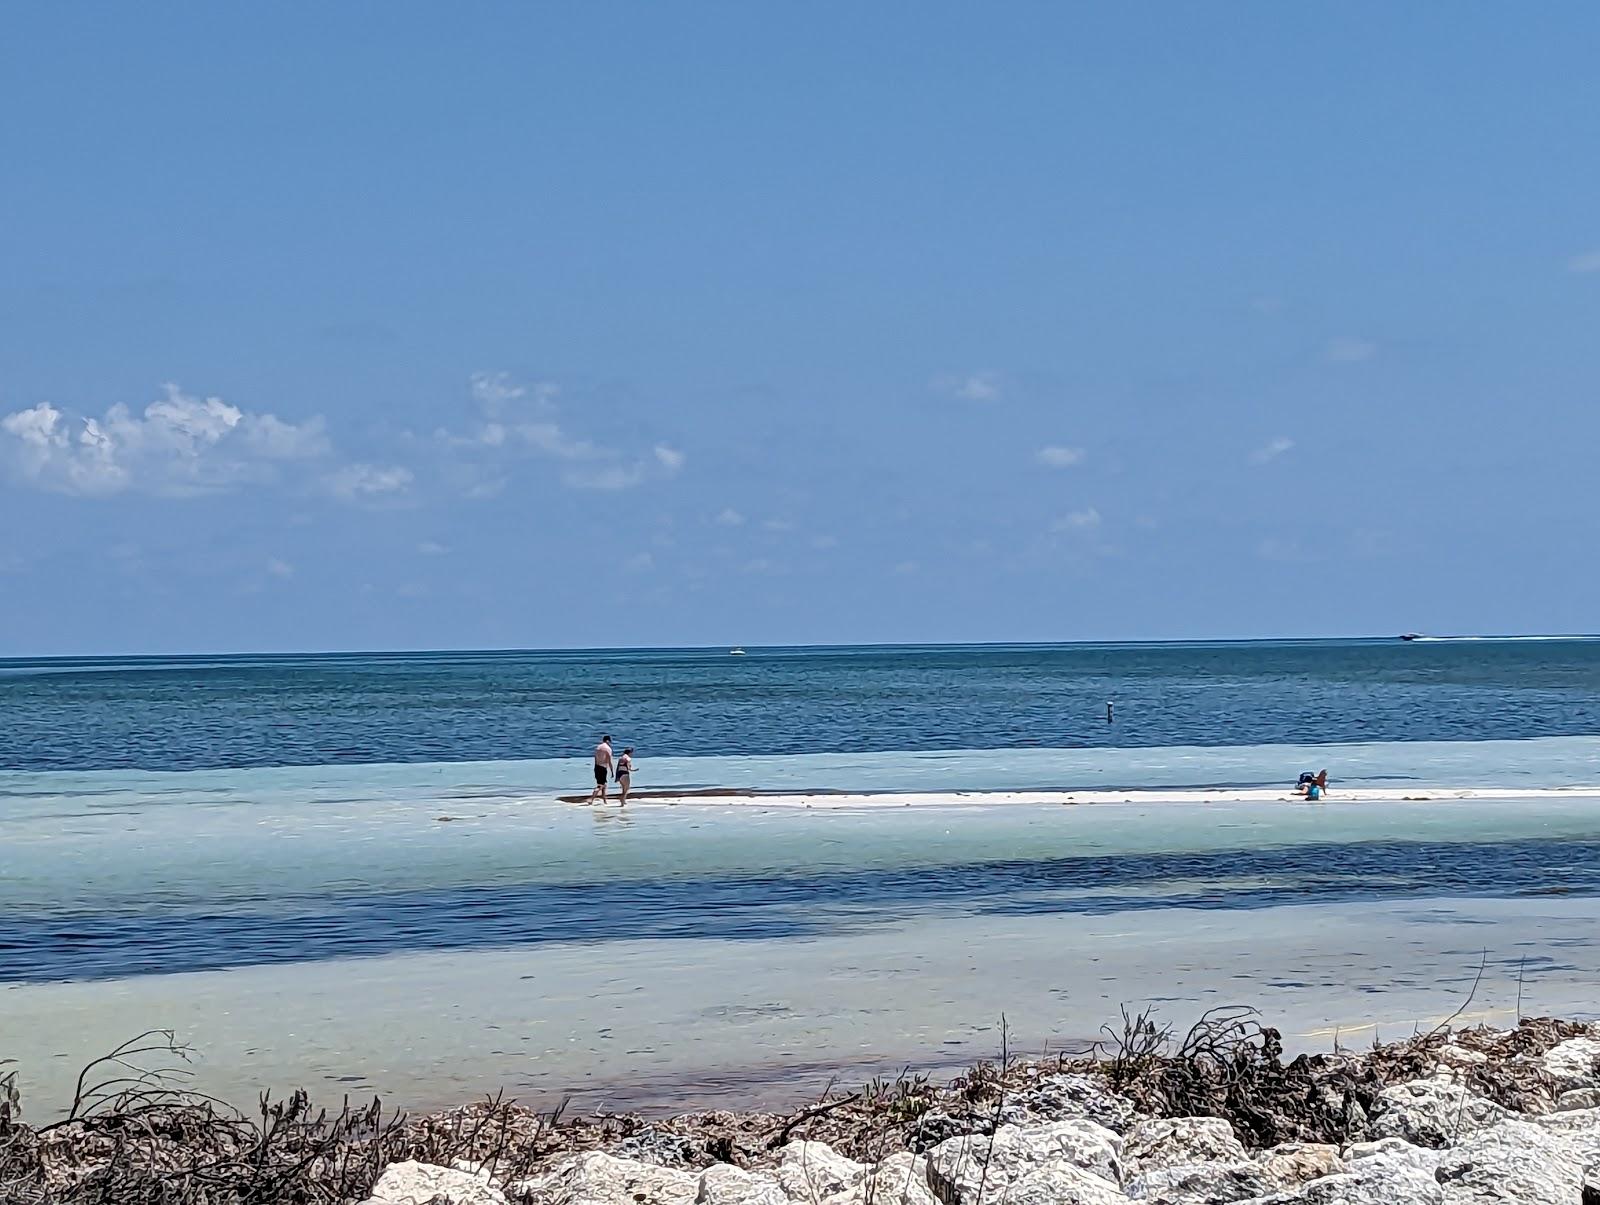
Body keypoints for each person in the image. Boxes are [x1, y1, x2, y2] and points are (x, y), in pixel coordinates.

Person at [589, 735, 614, 803]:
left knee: (604, 785)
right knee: (600, 785)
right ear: (608, 741)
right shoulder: (608, 749)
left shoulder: (598, 747)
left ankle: (604, 800)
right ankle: (591, 799)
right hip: (603, 768)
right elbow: (609, 761)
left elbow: (595, 758)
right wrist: (612, 771)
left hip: (597, 767)